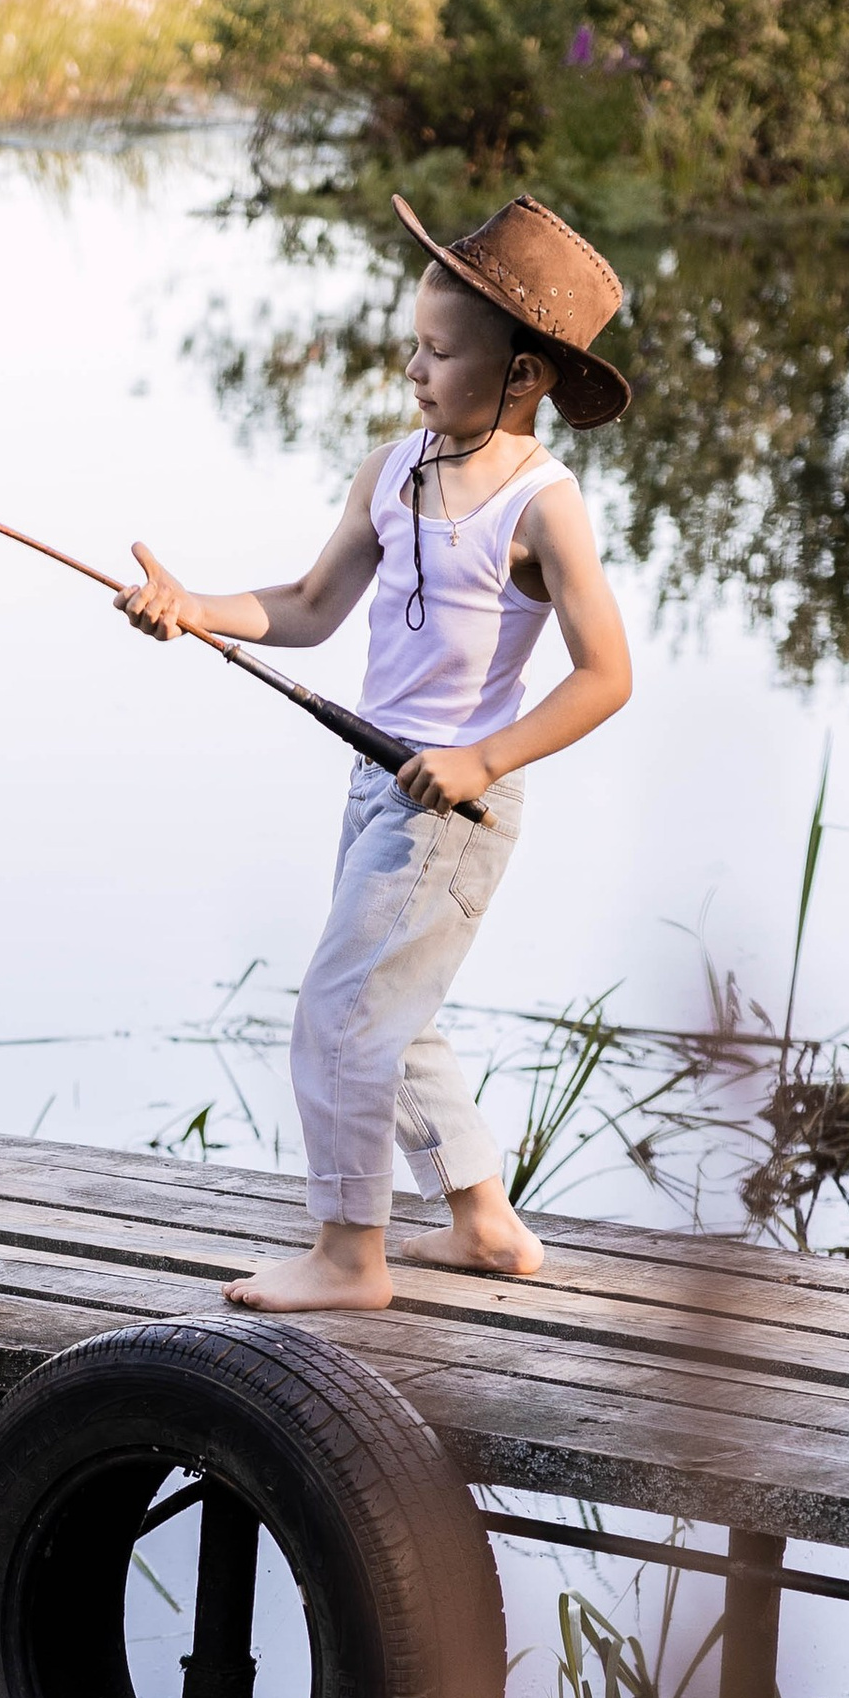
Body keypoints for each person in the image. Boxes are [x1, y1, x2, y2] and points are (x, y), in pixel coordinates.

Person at [121, 192, 635, 1315]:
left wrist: (484, 760)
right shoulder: (391, 469)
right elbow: (307, 605)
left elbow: (607, 676)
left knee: (345, 1012)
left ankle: (350, 1258)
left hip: (451, 809)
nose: (413, 366)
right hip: (376, 786)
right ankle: (484, 1225)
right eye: (414, 341)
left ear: (523, 376)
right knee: (390, 1012)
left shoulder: (543, 509)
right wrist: (189, 607)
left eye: (441, 352)